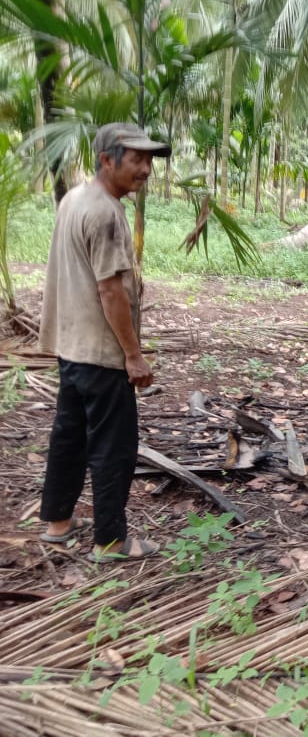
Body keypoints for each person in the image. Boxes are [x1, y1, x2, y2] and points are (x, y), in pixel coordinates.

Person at [37, 122, 171, 563]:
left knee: (69, 437)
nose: (146, 169)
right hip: (101, 354)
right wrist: (133, 356)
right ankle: (110, 540)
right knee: (113, 448)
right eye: (137, 159)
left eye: (149, 160)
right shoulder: (107, 212)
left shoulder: (75, 198)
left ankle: (58, 522)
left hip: (71, 348)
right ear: (107, 159)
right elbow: (110, 291)